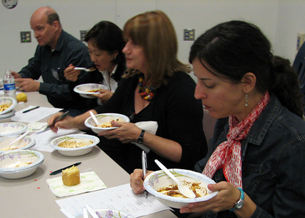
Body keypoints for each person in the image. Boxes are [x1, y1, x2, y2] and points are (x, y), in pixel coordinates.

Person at [130, 20, 305, 217]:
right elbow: (203, 174)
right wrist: (162, 179)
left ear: (247, 82)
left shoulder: (293, 142)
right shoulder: (230, 119)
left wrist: (240, 203)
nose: (197, 94)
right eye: (198, 80)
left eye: (209, 84)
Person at [48, 10, 207, 174]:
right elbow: (104, 111)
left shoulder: (182, 89)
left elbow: (187, 155)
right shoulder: (134, 78)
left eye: (134, 44)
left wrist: (139, 135)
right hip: (129, 171)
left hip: (164, 181)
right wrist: (72, 121)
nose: (125, 49)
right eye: (127, 42)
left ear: (156, 48)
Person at [11, 7, 92, 114]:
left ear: (55, 26)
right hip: (53, 108)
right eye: (34, 30)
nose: (36, 35)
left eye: (40, 29)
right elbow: (34, 67)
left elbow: (73, 92)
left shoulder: (76, 51)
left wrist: (39, 86)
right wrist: (20, 76)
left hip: (76, 111)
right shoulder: (43, 47)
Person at [64, 21, 126, 108]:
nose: (93, 59)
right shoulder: (95, 70)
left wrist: (114, 99)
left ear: (114, 53)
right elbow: (80, 102)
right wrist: (73, 81)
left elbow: (133, 107)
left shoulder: (127, 73)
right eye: (90, 52)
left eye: (98, 54)